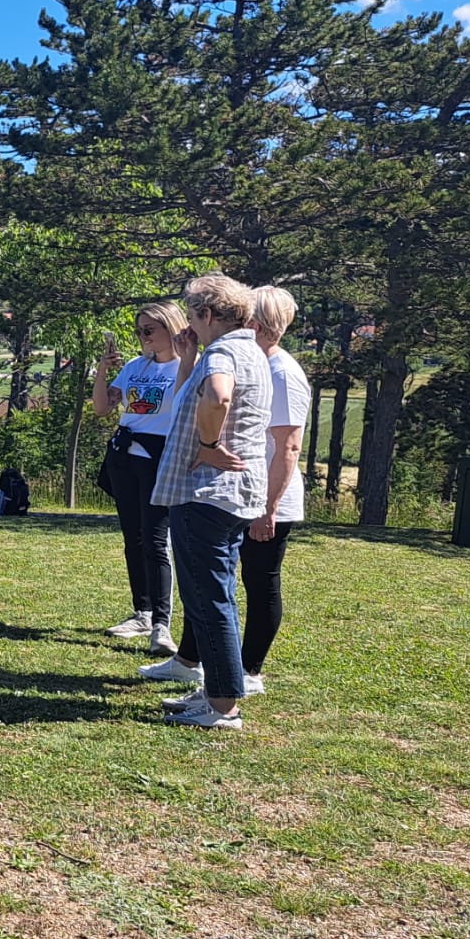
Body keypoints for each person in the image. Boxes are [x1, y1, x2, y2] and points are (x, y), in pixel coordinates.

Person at [139, 275, 271, 730]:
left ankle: (222, 707)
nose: (190, 323)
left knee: (207, 601)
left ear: (209, 314)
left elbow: (217, 396)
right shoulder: (251, 350)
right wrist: (191, 356)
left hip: (205, 494)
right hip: (233, 496)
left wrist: (209, 445)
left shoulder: (224, 353)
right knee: (218, 597)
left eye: (194, 315)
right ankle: (216, 691)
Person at [164, 285, 308, 696]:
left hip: (255, 491)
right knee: (212, 587)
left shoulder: (279, 371)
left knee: (253, 584)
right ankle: (196, 664)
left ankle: (245, 675)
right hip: (235, 486)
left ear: (259, 323)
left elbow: (288, 446)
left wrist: (269, 507)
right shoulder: (247, 358)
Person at [91, 301, 193, 655]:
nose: (143, 337)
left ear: (171, 327)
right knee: (133, 538)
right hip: (124, 456)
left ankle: (162, 625)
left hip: (159, 457)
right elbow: (102, 408)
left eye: (149, 330)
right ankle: (143, 612)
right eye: (139, 331)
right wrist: (102, 371)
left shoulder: (187, 366)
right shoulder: (136, 366)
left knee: (155, 540)